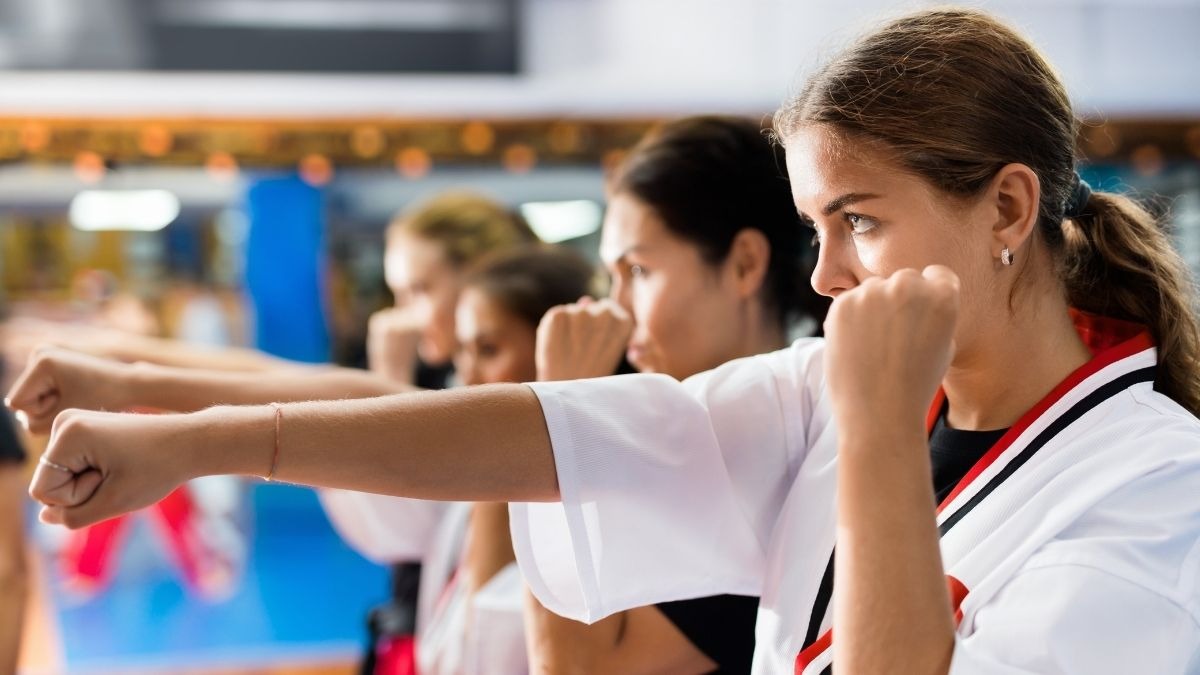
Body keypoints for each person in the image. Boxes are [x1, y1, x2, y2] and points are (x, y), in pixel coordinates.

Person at [14, 10, 1200, 672]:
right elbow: (548, 437)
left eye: (859, 223)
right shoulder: (837, 391)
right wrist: (197, 439)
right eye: (812, 231)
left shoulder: (1156, 495)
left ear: (1005, 209)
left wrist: (883, 440)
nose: (829, 278)